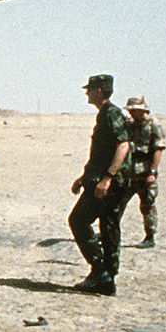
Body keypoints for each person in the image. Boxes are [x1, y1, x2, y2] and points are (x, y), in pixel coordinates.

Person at [68, 73, 132, 295]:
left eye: (90, 89)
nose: (87, 93)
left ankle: (101, 272)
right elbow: (100, 154)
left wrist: (108, 178)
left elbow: (122, 145)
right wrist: (83, 178)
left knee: (79, 220)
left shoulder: (111, 114)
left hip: (108, 184)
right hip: (99, 181)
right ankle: (106, 279)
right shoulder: (105, 114)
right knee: (108, 227)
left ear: (100, 91)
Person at [124, 96, 166, 247]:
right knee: (118, 203)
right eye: (132, 111)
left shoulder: (154, 124)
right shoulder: (130, 124)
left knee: (147, 204)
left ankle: (150, 236)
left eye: (136, 111)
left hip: (145, 171)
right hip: (129, 171)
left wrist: (152, 172)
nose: (134, 114)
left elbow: (158, 149)